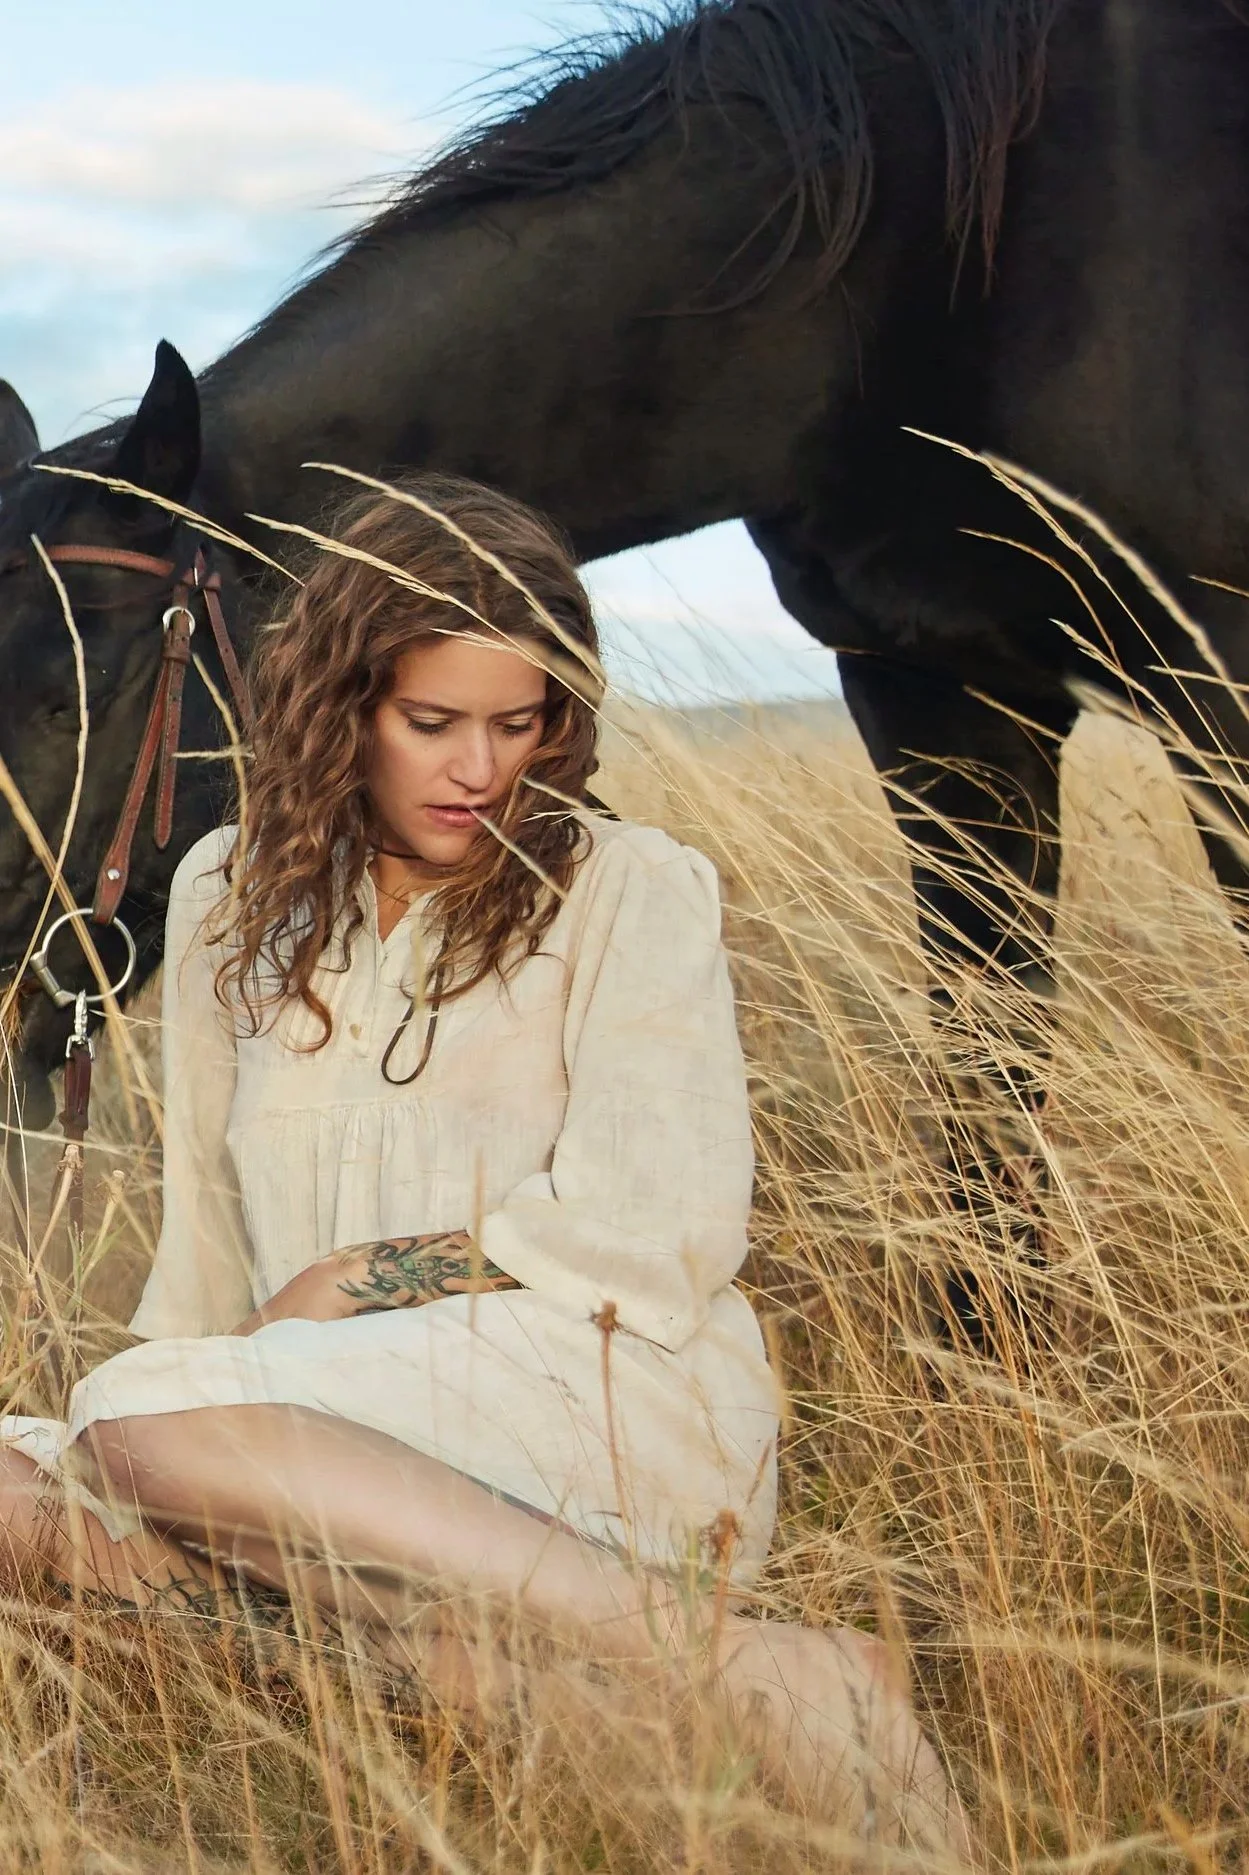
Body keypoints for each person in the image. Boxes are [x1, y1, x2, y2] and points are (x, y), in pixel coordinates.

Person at [0, 474, 970, 1854]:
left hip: (601, 1387)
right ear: (342, 708)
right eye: (432, 721)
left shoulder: (631, 888)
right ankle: (470, 1680)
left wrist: (362, 1277)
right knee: (51, 1466)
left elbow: (659, 1230)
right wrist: (194, 1404)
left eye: (520, 723)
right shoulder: (229, 890)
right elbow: (209, 1237)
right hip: (295, 1431)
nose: (478, 768)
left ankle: (718, 1649)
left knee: (140, 1423)